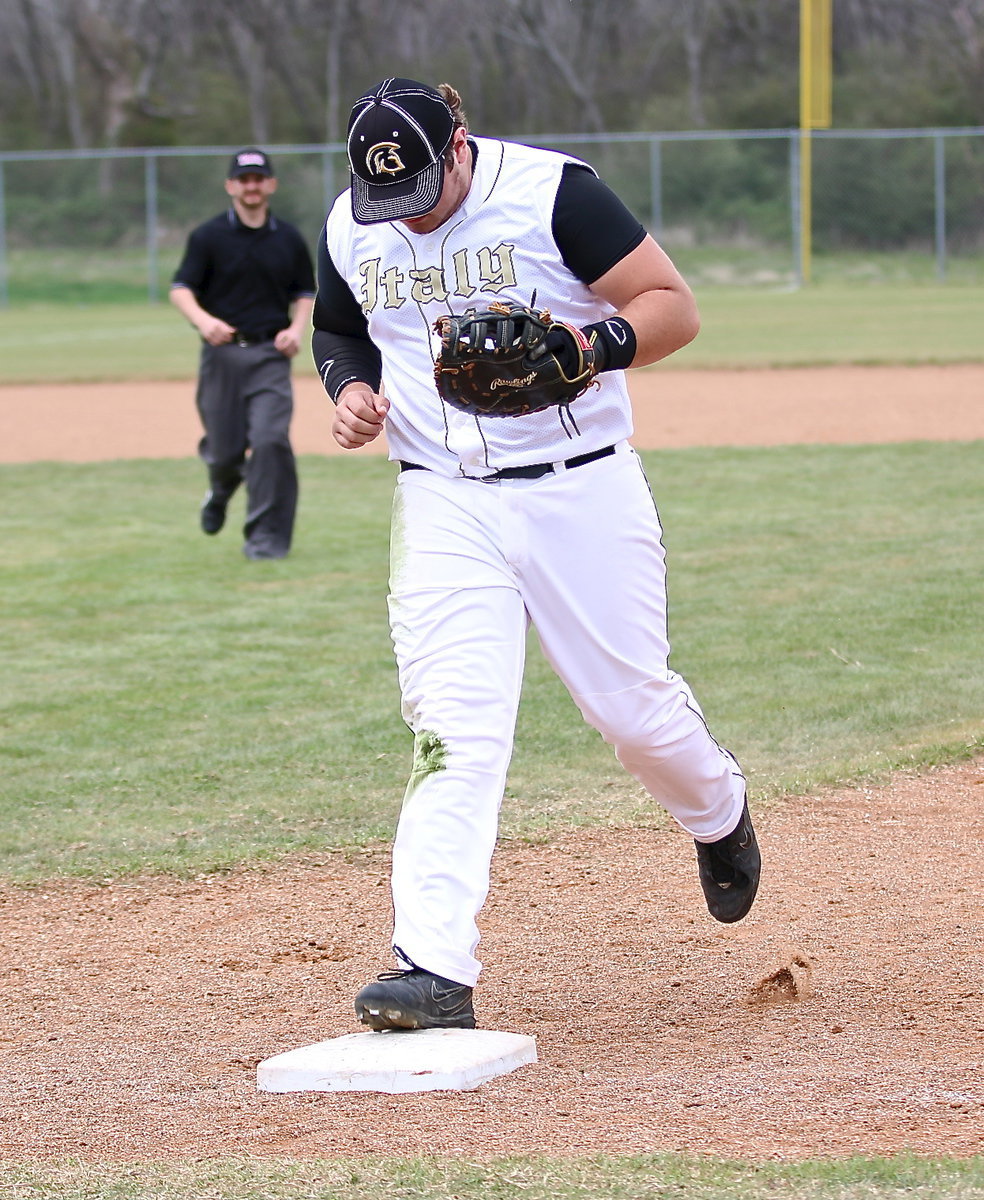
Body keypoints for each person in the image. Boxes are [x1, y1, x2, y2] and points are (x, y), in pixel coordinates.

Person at [312, 78, 761, 1031]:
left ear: (461, 143)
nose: (408, 211)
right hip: (440, 496)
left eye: (426, 187)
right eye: (386, 196)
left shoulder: (554, 194)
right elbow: (340, 327)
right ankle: (432, 967)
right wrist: (348, 389)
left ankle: (717, 810)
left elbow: (671, 305)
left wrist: (593, 346)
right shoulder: (354, 220)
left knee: (631, 710)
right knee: (454, 729)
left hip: (579, 486)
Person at [171, 148, 316, 560]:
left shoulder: (287, 238)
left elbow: (304, 291)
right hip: (221, 357)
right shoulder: (208, 236)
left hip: (270, 355)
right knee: (224, 452)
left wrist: (294, 328)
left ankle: (266, 541)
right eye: (244, 179)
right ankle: (220, 488)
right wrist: (203, 322)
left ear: (270, 184)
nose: (251, 186)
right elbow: (181, 288)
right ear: (231, 185)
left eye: (259, 178)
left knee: (271, 441)